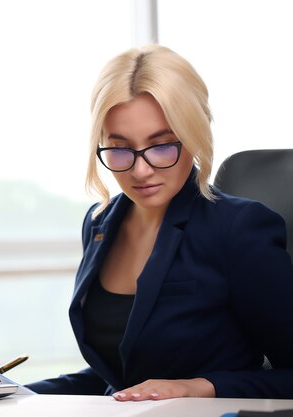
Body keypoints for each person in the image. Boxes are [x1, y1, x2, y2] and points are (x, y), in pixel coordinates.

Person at [26, 45, 293, 400]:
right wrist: (10, 393)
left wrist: (199, 387)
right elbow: (121, 375)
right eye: (120, 149)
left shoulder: (238, 229)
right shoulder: (99, 224)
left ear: (195, 135)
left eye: (162, 145)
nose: (140, 170)